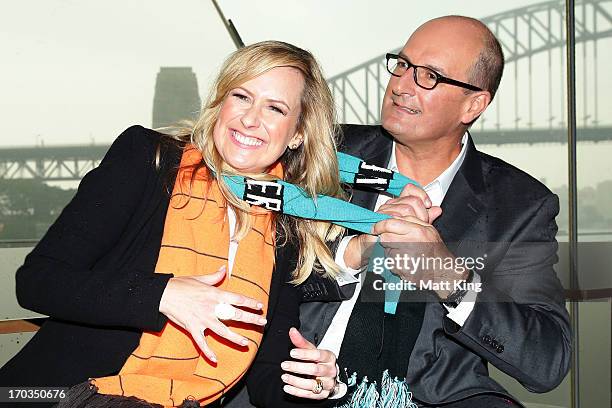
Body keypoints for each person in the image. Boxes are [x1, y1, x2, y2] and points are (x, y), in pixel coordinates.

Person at [0, 41, 344, 407]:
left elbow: (267, 376)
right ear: (221, 102)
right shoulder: (148, 159)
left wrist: (317, 386)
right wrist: (162, 294)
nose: (250, 118)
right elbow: (38, 282)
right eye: (242, 96)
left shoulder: (285, 227)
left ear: (297, 134)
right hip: (59, 396)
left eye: (275, 108)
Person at [296, 15, 572, 407]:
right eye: (403, 65)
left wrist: (450, 277)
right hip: (294, 381)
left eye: (429, 76)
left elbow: (547, 362)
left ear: (473, 104)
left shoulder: (519, 205)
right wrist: (350, 256)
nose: (401, 85)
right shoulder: (322, 153)